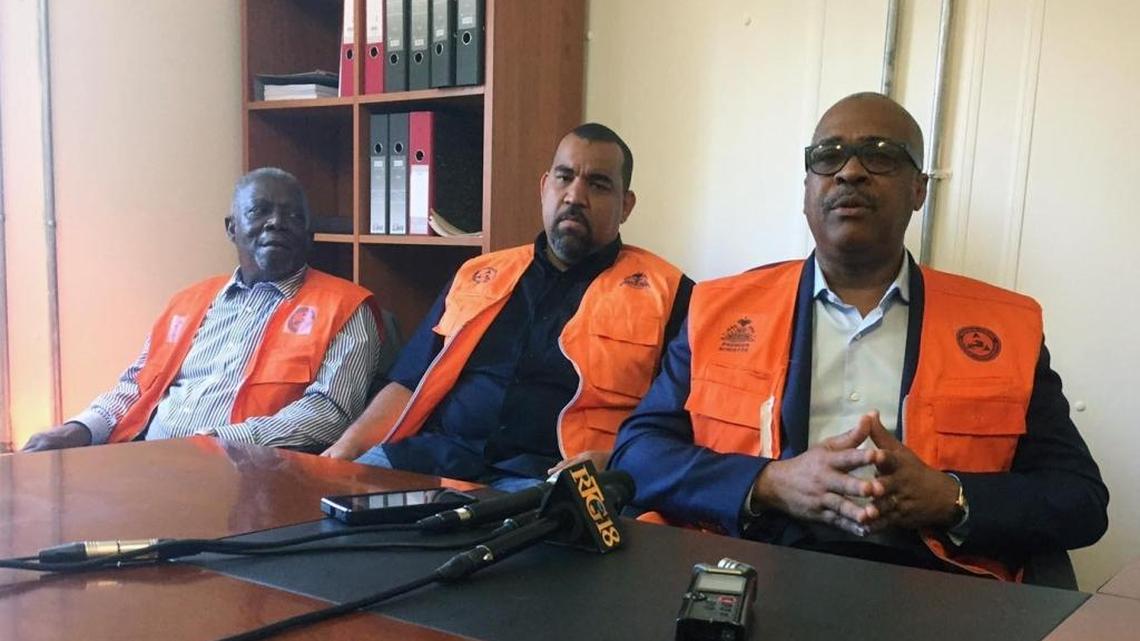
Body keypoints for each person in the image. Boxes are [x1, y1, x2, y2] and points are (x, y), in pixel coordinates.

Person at [609, 93, 1108, 581]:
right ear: (807, 187)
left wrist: (949, 497)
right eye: (829, 156)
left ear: (919, 190)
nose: (850, 171)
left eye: (880, 154)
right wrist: (769, 482)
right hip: (759, 567)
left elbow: (1079, 498)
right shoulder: (719, 310)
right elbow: (638, 453)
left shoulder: (1004, 326)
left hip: (935, 583)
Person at [323, 123, 693, 490]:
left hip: (548, 479)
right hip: (432, 459)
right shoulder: (477, 275)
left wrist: (615, 461)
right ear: (544, 187)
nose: (575, 196)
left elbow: (681, 426)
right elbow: (409, 383)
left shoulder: (670, 294)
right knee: (330, 508)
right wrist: (345, 450)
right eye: (564, 178)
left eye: (598, 185)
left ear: (626, 205)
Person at [22, 167, 383, 452]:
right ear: (232, 228)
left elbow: (329, 413)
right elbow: (136, 387)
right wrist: (79, 428)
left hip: (249, 478)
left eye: (292, 216)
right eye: (259, 211)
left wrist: (217, 442)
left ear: (309, 235)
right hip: (145, 464)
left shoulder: (345, 308)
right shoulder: (188, 302)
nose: (276, 222)